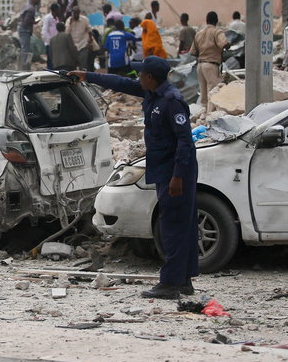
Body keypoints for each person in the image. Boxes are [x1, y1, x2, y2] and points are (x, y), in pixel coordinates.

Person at [70, 57, 198, 299]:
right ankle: (183, 281)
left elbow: (185, 142)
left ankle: (171, 283)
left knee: (174, 227)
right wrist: (88, 76)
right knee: (180, 225)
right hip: (164, 169)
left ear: (150, 77)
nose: (137, 78)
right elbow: (119, 82)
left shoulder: (172, 101)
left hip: (176, 172)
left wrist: (178, 176)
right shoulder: (151, 92)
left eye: (141, 75)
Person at [190, 11, 230, 110]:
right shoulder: (217, 32)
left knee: (203, 96)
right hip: (211, 65)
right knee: (213, 93)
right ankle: (210, 116)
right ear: (216, 21)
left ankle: (202, 115)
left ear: (207, 21)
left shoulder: (199, 33)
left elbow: (193, 52)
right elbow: (224, 44)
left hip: (200, 66)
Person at [16, 0, 40, 71]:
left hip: (21, 29)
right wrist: (34, 22)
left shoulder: (26, 6)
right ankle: (23, 67)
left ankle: (22, 65)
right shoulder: (31, 9)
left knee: (24, 48)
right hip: (25, 30)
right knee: (25, 49)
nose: (38, 1)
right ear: (33, 0)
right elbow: (26, 21)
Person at [41, 3, 61, 69]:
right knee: (50, 61)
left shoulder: (57, 19)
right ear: (55, 10)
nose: (59, 11)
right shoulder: (48, 18)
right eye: (58, 9)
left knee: (55, 61)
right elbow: (44, 31)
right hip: (49, 43)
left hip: (56, 43)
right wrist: (51, 41)